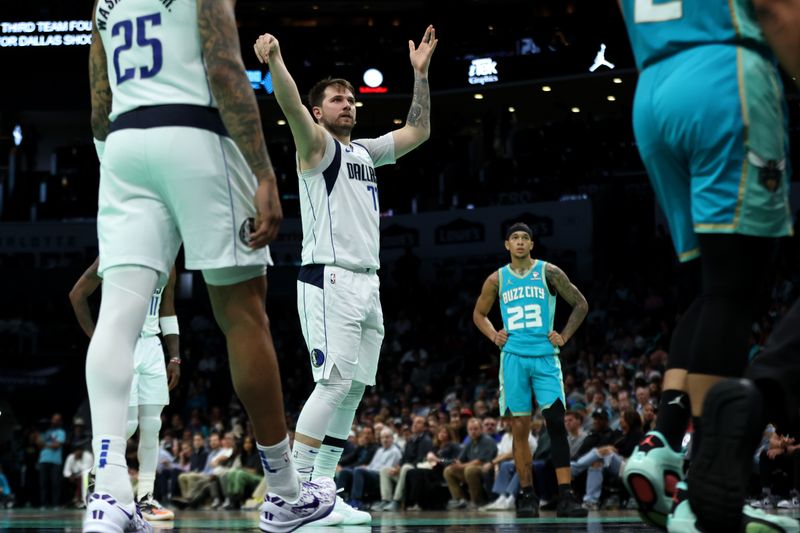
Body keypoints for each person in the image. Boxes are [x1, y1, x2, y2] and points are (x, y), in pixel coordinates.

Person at [85, 0, 336, 531]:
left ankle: (107, 494)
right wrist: (265, 172)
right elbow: (224, 66)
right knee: (243, 315)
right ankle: (286, 492)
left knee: (117, 316)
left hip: (123, 145)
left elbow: (99, 96)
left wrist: (120, 174)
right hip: (195, 134)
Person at [617, 1, 798, 531]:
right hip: (725, 79)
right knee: (736, 288)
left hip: (653, 90)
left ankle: (663, 442)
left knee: (709, 285)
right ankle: (707, 491)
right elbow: (775, 6)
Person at [252, 23, 437, 526]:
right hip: (327, 278)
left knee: (353, 389)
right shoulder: (316, 148)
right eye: (338, 99)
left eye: (352, 98)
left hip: (368, 282)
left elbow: (418, 131)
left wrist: (420, 74)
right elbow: (291, 106)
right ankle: (289, 495)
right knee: (332, 385)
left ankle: (322, 493)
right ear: (319, 112)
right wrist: (276, 63)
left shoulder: (364, 153)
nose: (349, 104)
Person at [473, 222, 589, 518]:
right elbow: (479, 314)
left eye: (525, 238)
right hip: (512, 358)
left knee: (555, 422)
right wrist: (492, 335)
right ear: (507, 245)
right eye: (515, 238)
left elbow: (580, 304)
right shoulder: (496, 279)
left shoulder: (549, 272)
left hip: (545, 357)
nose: (521, 242)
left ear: (532, 245)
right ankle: (527, 496)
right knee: (520, 428)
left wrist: (563, 335)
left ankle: (566, 495)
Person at [70, 257, 180, 521]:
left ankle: (145, 498)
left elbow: (167, 309)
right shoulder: (115, 249)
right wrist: (97, 337)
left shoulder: (168, 259)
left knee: (153, 425)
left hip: (152, 347)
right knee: (126, 425)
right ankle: (99, 476)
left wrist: (174, 356)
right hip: (122, 343)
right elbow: (77, 294)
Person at [37, 413, 66, 508]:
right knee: (43, 483)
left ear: (60, 422)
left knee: (55, 483)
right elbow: (38, 444)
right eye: (54, 419)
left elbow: (57, 445)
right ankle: (43, 504)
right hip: (43, 460)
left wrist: (45, 445)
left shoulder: (61, 432)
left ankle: (56, 504)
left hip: (56, 461)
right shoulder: (45, 432)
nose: (55, 421)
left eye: (57, 420)